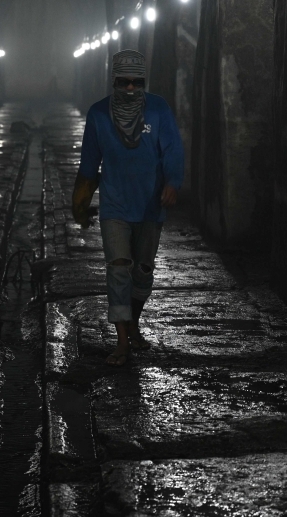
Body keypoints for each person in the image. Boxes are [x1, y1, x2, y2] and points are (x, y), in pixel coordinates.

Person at [72, 49, 185, 366]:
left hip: (149, 206)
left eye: (137, 83)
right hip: (115, 207)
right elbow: (89, 164)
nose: (131, 89)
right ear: (114, 81)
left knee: (143, 273)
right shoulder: (98, 115)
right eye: (124, 82)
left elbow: (172, 148)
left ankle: (133, 323)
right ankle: (122, 341)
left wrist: (172, 182)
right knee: (119, 271)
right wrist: (80, 202)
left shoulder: (158, 110)